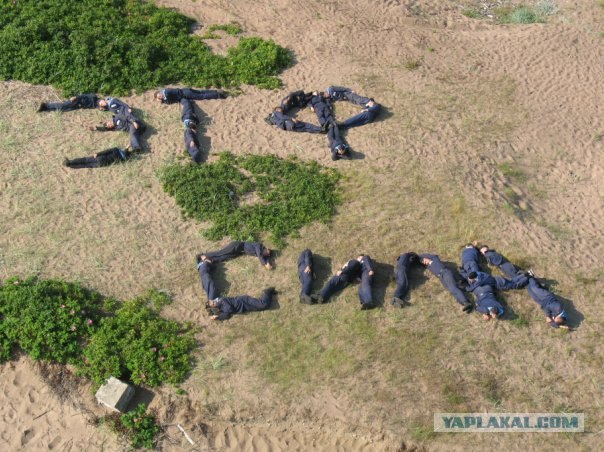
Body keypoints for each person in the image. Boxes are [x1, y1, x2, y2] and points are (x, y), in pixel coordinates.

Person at [206, 287, 276, 321]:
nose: (214, 302)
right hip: (245, 306)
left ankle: (267, 292)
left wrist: (218, 317)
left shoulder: (222, 301)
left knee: (263, 305)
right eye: (213, 303)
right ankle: (269, 294)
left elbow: (229, 311)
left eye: (213, 301)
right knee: (261, 306)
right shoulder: (220, 307)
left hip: (244, 301)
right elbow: (227, 315)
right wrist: (218, 316)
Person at [198, 241, 272, 269]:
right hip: (237, 246)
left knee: (225, 257)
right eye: (267, 251)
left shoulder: (262, 254)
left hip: (239, 252)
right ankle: (202, 255)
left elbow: (262, 256)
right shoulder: (259, 246)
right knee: (221, 252)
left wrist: (268, 262)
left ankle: (210, 260)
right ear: (266, 248)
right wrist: (265, 264)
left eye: (267, 254)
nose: (265, 253)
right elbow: (259, 254)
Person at [63, 147, 135, 169]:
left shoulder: (116, 149)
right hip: (103, 163)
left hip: (101, 158)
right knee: (86, 165)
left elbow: (106, 151)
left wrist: (98, 154)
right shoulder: (123, 160)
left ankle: (70, 162)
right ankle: (72, 166)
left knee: (85, 159)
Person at [154, 87, 226, 104]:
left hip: (185, 94)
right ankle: (216, 91)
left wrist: (162, 101)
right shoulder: (165, 91)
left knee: (201, 96)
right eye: (159, 97)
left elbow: (169, 102)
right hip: (185, 90)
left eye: (159, 95)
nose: (160, 97)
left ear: (160, 92)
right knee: (201, 92)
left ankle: (218, 95)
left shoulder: (166, 93)